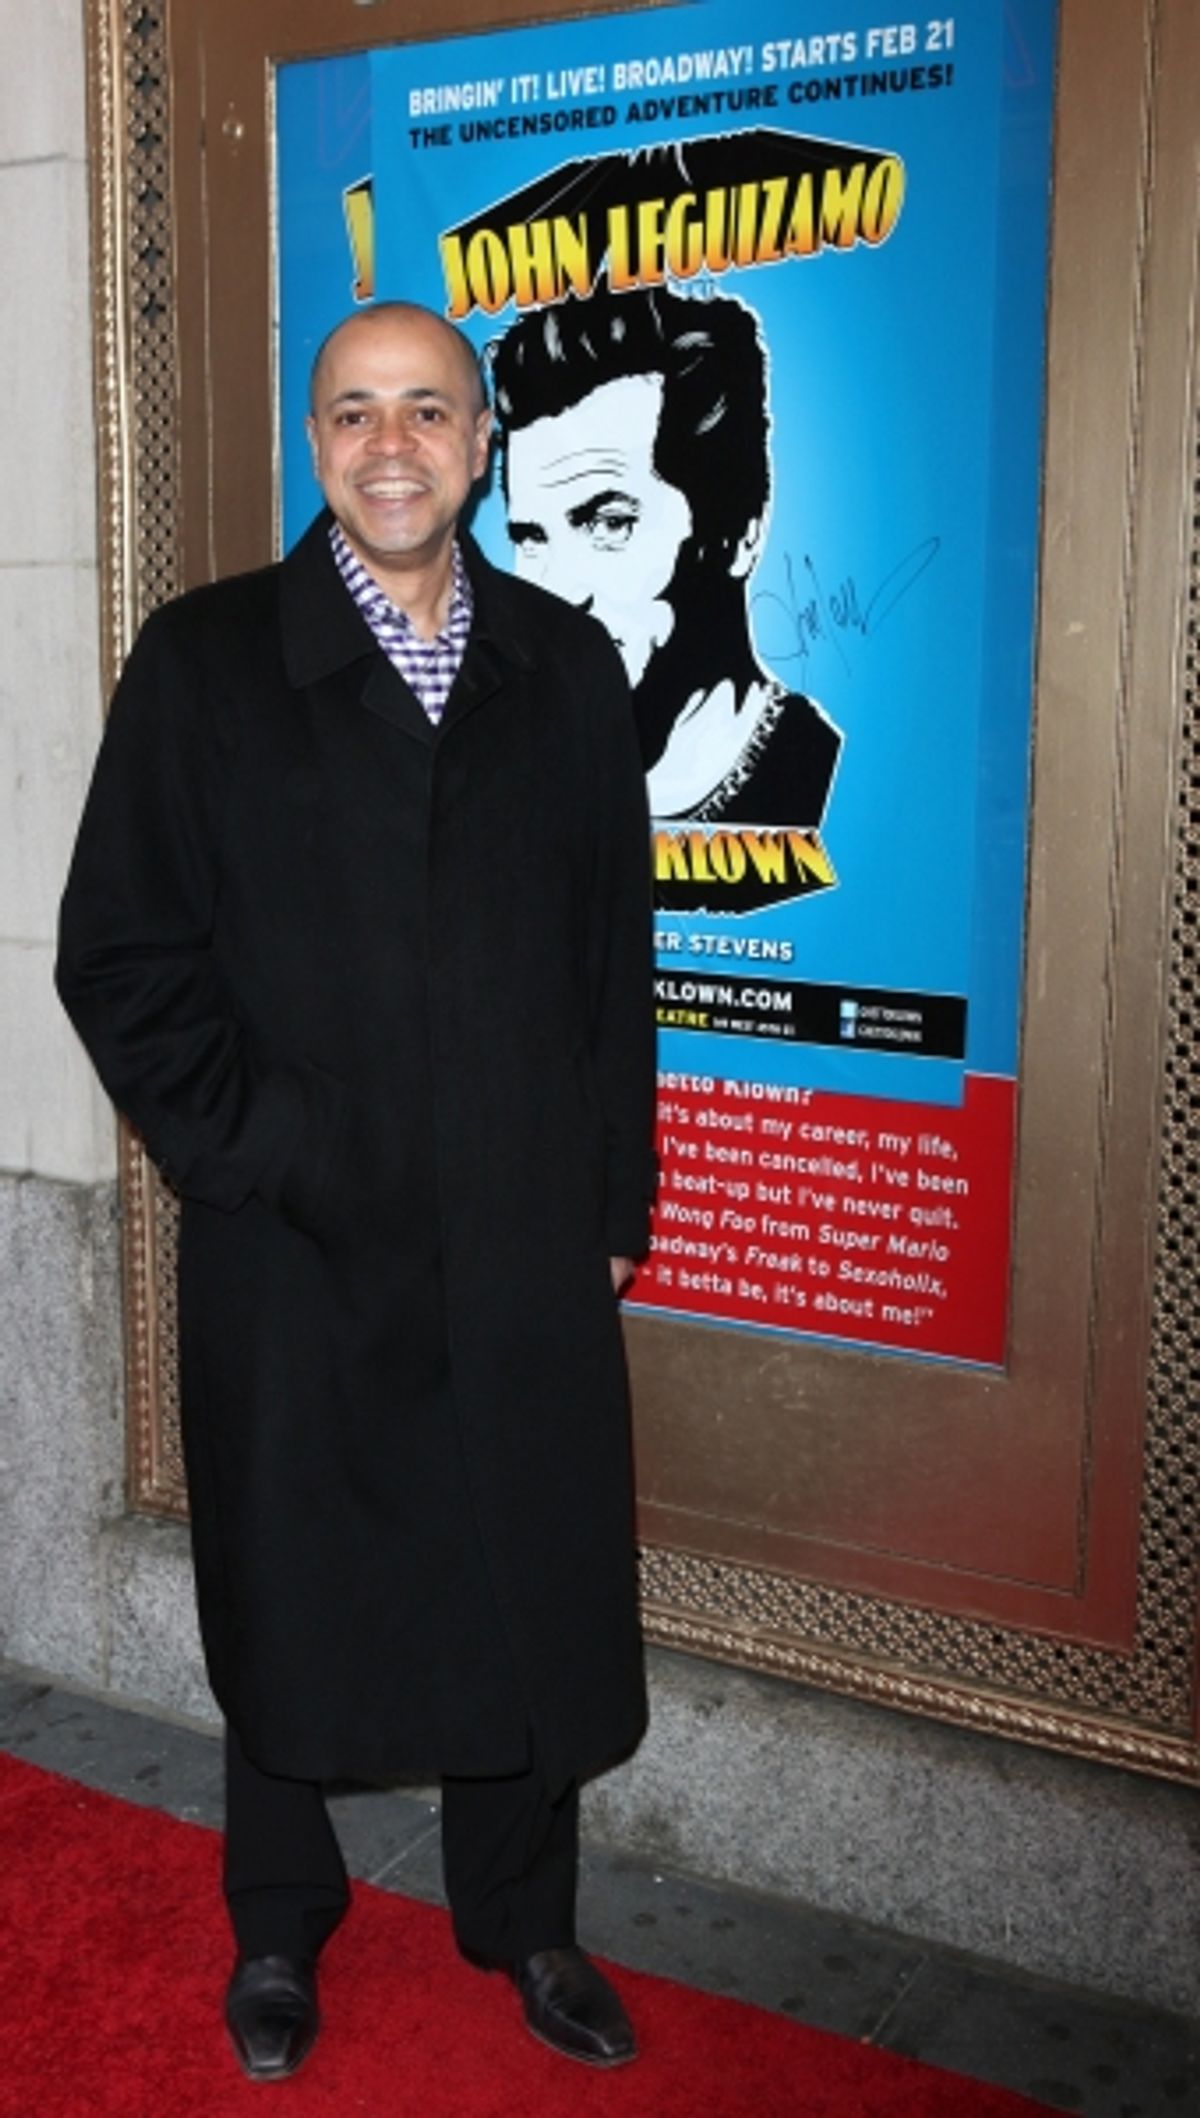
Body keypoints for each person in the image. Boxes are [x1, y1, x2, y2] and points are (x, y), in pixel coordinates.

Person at [56, 301, 657, 2082]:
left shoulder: (564, 666)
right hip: (295, 1249)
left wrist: (614, 1188)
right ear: (311, 443)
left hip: (525, 1232)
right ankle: (275, 1923)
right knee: (292, 1579)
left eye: (426, 411)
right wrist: (276, 1151)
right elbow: (123, 959)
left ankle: (524, 1919)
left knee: (520, 1574)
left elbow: (611, 963)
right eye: (352, 414)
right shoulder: (208, 659)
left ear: (480, 439)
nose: (390, 447)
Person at [491, 280, 842, 830]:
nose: (559, 591)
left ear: (740, 531)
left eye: (609, 524)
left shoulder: (829, 790)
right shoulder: (505, 791)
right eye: (531, 538)